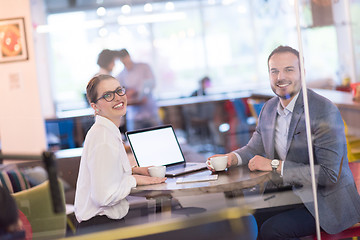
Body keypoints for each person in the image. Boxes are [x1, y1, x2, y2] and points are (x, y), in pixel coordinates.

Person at [208, 45, 360, 239]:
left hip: (327, 202)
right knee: (247, 220)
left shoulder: (323, 110)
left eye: (289, 69)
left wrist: (274, 165)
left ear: (302, 73)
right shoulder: (269, 109)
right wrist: (231, 158)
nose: (281, 77)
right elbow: (255, 147)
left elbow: (329, 175)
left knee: (273, 230)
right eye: (274, 71)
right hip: (292, 194)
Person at [74, 74, 166, 229]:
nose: (118, 98)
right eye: (108, 95)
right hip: (100, 227)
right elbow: (103, 196)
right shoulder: (103, 138)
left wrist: (132, 171)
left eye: (119, 91)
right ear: (95, 106)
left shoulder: (106, 131)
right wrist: (134, 179)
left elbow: (105, 174)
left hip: (102, 224)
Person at [115, 48, 161, 131]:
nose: (124, 61)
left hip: (150, 112)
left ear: (129, 56)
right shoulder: (120, 75)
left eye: (125, 58)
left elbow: (152, 84)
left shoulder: (144, 67)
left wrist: (134, 92)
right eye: (122, 60)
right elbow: (122, 95)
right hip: (134, 116)